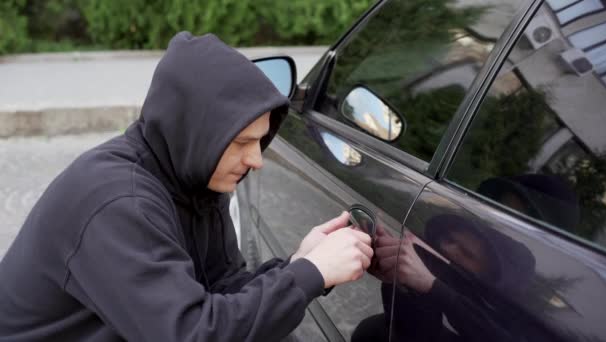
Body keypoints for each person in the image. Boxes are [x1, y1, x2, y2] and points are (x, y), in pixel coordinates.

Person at [0, 32, 373, 341]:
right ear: (194, 131)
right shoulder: (117, 201)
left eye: (260, 142)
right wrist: (311, 274)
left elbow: (221, 289)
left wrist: (298, 264)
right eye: (241, 142)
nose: (256, 160)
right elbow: (190, 334)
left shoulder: (195, 178)